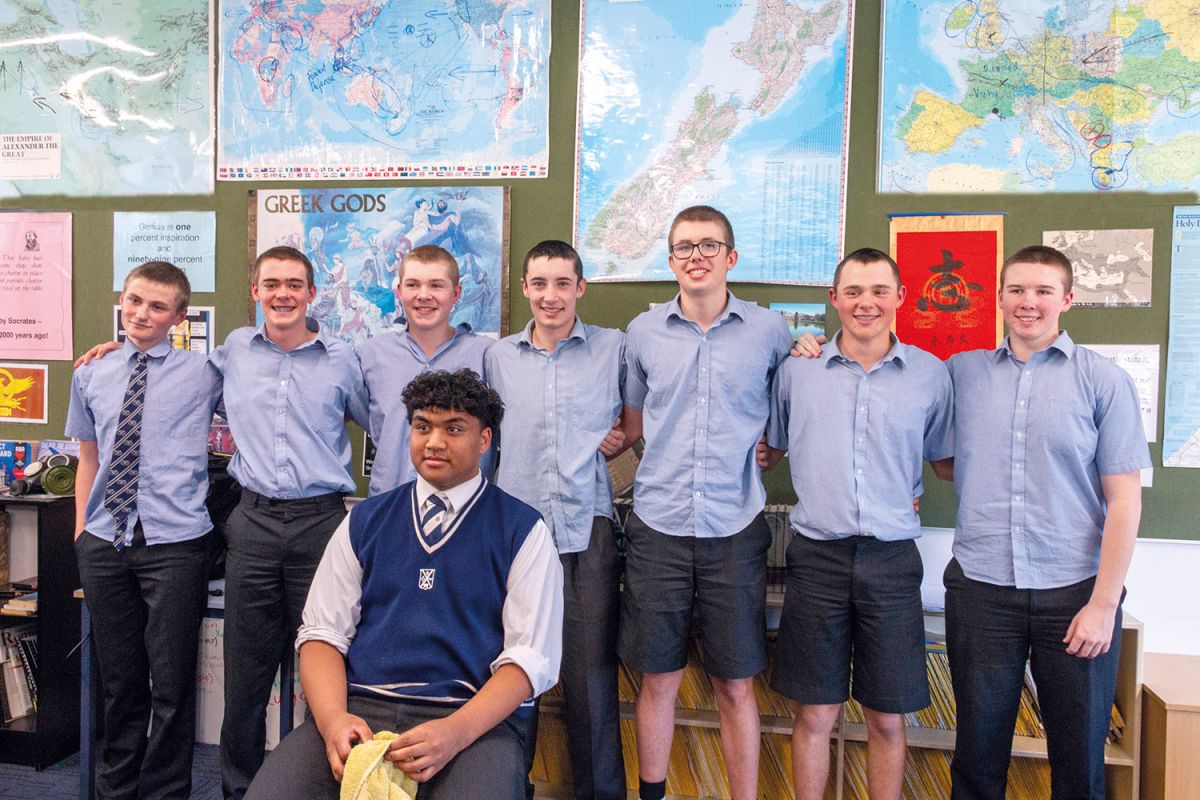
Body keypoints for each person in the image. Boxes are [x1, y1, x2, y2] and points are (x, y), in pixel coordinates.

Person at [244, 369, 563, 800]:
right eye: (422, 426)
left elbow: (529, 661)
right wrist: (333, 719)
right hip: (360, 710)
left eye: (454, 429)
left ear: (484, 440)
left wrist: (454, 733)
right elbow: (322, 635)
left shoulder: (523, 530)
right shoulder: (364, 521)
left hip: (468, 720)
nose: (434, 442)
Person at [938, 245, 1149, 800]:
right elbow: (939, 454)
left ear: (1068, 299)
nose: (1028, 302)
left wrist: (1103, 606)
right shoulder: (964, 373)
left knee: (1078, 761)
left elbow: (1125, 500)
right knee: (977, 757)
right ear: (1000, 296)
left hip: (1075, 593)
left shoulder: (1104, 381)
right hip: (983, 589)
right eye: (1017, 290)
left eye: (1042, 291)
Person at [763, 248, 953, 800]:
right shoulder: (798, 369)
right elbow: (768, 450)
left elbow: (944, 462)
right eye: (852, 292)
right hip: (817, 557)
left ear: (900, 298)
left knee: (888, 719)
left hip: (892, 562)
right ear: (834, 299)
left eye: (877, 291)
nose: (865, 303)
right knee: (815, 714)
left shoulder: (930, 375)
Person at [620, 206, 793, 800]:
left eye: (709, 245)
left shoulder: (771, 332)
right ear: (670, 260)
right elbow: (635, 420)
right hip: (657, 526)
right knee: (658, 678)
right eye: (684, 247)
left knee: (735, 683)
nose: (696, 256)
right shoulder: (641, 333)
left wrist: (771, 444)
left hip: (734, 525)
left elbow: (791, 405)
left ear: (731, 257)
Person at [211, 245, 370, 798]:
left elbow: (387, 424)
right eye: (272, 283)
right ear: (255, 291)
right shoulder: (233, 350)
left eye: (294, 284)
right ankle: (239, 790)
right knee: (246, 680)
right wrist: (118, 353)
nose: (283, 293)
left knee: (325, 676)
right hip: (251, 523)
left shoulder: (343, 360)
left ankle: (315, 786)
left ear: (311, 294)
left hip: (321, 527)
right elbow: (175, 383)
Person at [67, 261, 222, 799]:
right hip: (106, 541)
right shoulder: (90, 372)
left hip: (175, 544)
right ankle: (115, 790)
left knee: (173, 686)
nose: (142, 314)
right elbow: (89, 458)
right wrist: (81, 533)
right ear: (121, 301)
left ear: (180, 316)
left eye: (158, 306)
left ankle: (163, 792)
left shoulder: (206, 374)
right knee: (120, 682)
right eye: (134, 301)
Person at [485, 240, 628, 800]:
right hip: (513, 533)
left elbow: (644, 415)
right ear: (524, 288)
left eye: (562, 283)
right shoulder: (496, 358)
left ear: (580, 288)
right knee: (511, 676)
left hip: (585, 532)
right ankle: (503, 788)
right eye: (539, 283)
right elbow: (485, 445)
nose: (550, 296)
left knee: (590, 678)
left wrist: (620, 441)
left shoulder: (614, 349)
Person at [357, 244, 493, 496]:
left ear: (456, 293)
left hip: (467, 511)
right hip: (390, 507)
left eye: (436, 285)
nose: (424, 295)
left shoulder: (488, 355)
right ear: (398, 291)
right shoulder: (369, 355)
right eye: (413, 285)